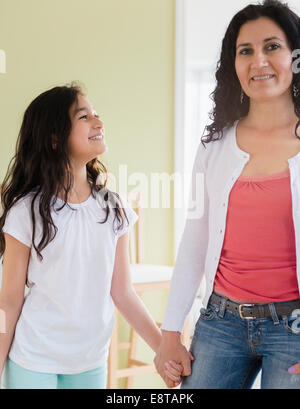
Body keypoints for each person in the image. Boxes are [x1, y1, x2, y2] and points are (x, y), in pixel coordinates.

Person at [154, 0, 300, 389]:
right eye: (245, 51)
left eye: (272, 46)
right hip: (221, 323)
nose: (258, 61)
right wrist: (171, 331)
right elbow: (194, 239)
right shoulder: (215, 145)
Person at [0, 83, 181, 389]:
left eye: (97, 114)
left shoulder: (114, 208)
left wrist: (162, 348)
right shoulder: (26, 211)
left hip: (90, 360)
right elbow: (10, 299)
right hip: (33, 359)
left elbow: (123, 292)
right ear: (55, 138)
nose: (98, 122)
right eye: (84, 117)